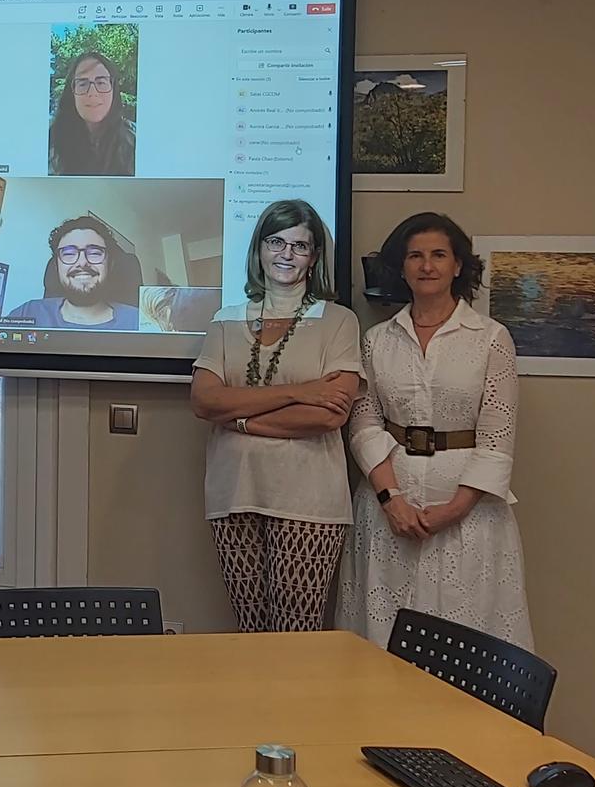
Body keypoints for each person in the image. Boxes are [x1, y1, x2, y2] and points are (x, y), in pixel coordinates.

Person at [336, 213, 532, 649]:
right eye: (416, 256)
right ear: (402, 267)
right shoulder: (377, 340)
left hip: (469, 514)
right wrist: (391, 500)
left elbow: (498, 435)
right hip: (390, 512)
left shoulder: (490, 338)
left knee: (466, 638)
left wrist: (454, 509)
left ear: (458, 265)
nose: (427, 265)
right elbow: (364, 421)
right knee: (383, 635)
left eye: (439, 255)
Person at [189, 201, 362, 632]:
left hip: (309, 500)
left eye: (300, 245)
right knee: (250, 629)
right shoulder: (225, 320)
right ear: (260, 250)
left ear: (315, 256)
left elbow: (328, 415)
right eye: (276, 242)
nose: (286, 254)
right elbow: (205, 401)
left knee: (296, 633)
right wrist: (298, 392)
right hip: (234, 492)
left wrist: (242, 418)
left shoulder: (338, 321)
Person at [6, 216, 140, 330]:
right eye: (69, 253)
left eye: (94, 253)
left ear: (110, 264)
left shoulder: (139, 322)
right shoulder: (27, 313)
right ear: (57, 266)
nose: (82, 263)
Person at [48, 49, 136, 177]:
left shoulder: (137, 140)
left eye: (101, 82)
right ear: (72, 93)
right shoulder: (50, 141)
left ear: (114, 90)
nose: (92, 93)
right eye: (83, 84)